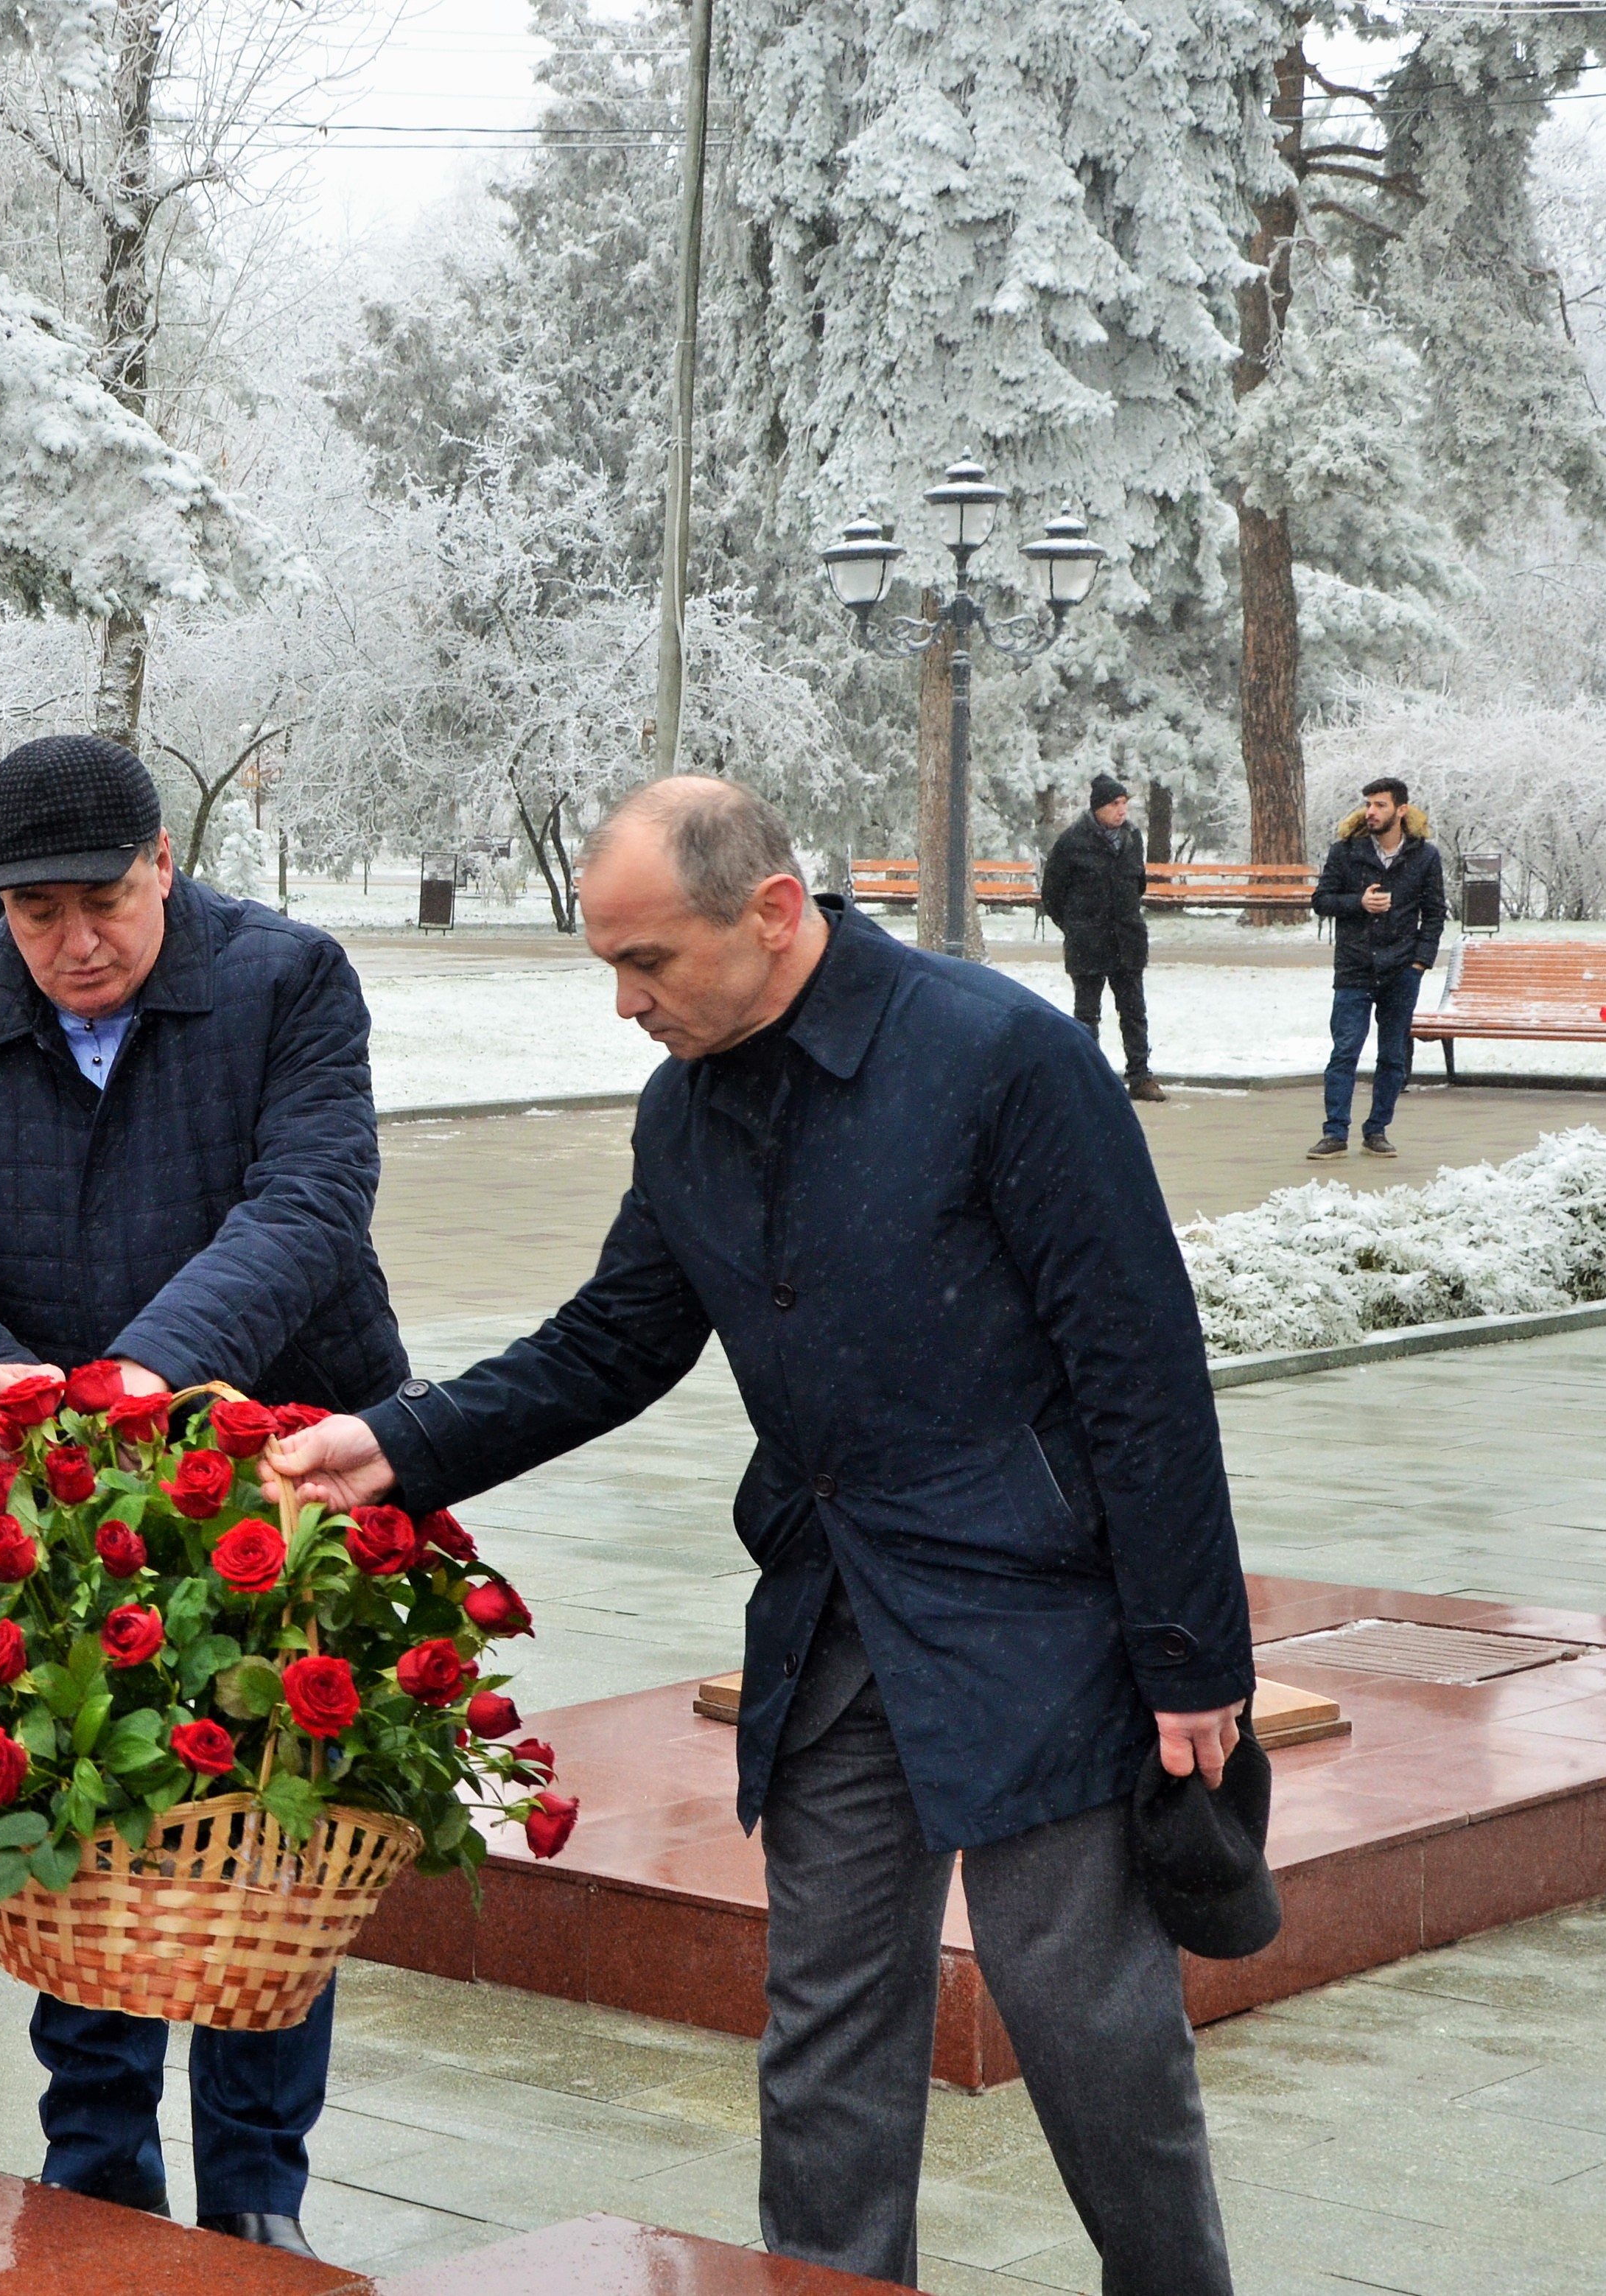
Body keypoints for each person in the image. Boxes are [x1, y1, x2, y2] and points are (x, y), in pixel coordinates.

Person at [267, 777, 1248, 2295]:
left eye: (646, 963)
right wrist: (394, 1445)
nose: (621, 1004)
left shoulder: (1000, 1060)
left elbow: (1140, 1375)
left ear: (773, 913)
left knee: (1086, 2026)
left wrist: (1188, 1657)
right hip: (829, 1622)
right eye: (607, 963)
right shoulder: (686, 1101)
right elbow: (611, 1341)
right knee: (826, 2033)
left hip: (1033, 1623)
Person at [0, 735, 403, 2261]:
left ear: (163, 861)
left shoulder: (287, 979)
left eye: (102, 901)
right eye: (35, 917)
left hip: (282, 1455)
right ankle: (90, 2168)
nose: (73, 944)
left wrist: (143, 1382)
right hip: (57, 1481)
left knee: (262, 1831)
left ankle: (254, 2189)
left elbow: (306, 1204)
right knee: (78, 1808)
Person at [1310, 774, 1446, 1161]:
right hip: (1355, 967)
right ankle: (1335, 1133)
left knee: (1392, 1056)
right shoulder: (1346, 852)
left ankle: (1377, 1131)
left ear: (1401, 810)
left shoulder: (1424, 856)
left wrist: (1420, 961)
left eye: (1380, 805)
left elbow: (1435, 913)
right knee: (1345, 1050)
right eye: (1368, 804)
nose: (1370, 811)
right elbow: (1321, 901)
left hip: (1401, 970)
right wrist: (1359, 903)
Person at [1041, 771, 1161, 1103]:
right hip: (1088, 943)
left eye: (1124, 803)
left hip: (1127, 940)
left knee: (1134, 1011)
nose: (1122, 811)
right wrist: (1077, 927)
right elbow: (1052, 894)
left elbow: (1138, 885)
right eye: (1114, 804)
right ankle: (1089, 1077)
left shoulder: (1133, 839)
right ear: (1098, 808)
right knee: (1087, 1015)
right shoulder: (1071, 842)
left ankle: (1140, 1076)